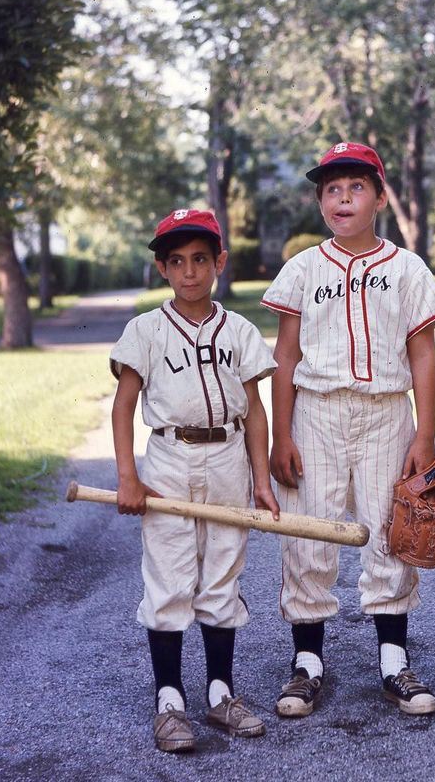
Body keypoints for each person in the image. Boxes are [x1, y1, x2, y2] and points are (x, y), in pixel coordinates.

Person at [262, 141, 435, 718]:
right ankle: (307, 663)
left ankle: (394, 660)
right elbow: (286, 356)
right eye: (332, 190)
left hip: (385, 411)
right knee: (309, 531)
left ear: (380, 197)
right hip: (316, 411)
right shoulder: (303, 268)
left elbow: (423, 354)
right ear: (320, 202)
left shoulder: (407, 268)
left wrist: (424, 436)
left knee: (391, 529)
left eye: (356, 187)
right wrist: (280, 435)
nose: (343, 199)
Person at [109, 208, 279, 754]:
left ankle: (220, 694)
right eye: (177, 261)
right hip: (169, 458)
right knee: (169, 576)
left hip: (227, 456)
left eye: (200, 260)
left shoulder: (240, 330)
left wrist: (261, 479)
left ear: (219, 262)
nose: (189, 272)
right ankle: (169, 701)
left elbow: (255, 410)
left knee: (222, 573)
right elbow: (124, 405)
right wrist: (128, 477)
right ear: (162, 268)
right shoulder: (146, 329)